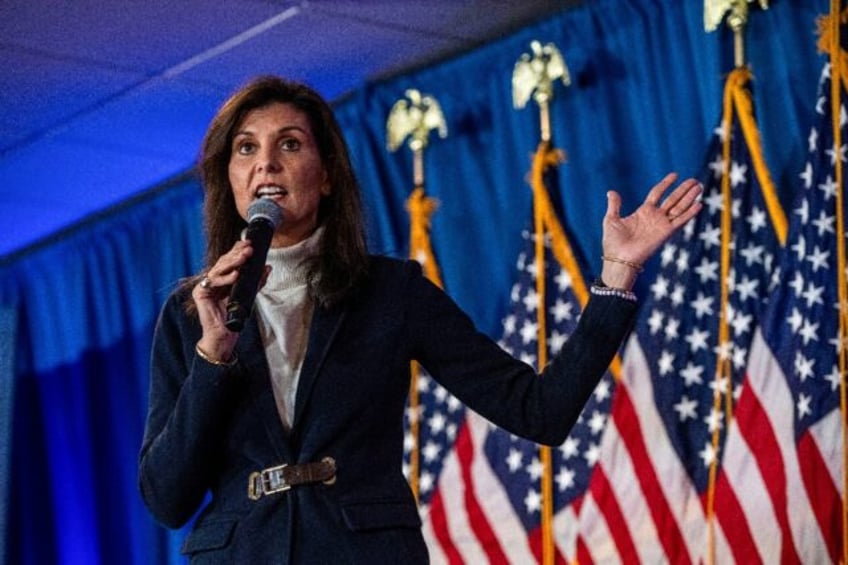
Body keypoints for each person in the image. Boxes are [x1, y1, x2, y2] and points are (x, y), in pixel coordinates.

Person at [138, 75, 702, 564]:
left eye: (289, 144)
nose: (266, 162)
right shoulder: (192, 314)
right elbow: (167, 499)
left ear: (327, 173)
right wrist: (213, 357)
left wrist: (617, 276)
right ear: (228, 178)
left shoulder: (389, 292)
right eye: (245, 148)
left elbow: (541, 411)